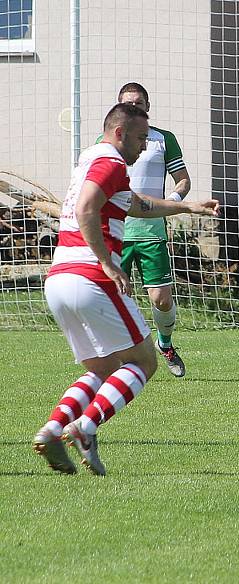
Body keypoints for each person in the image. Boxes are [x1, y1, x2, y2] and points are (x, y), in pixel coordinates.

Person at [33, 103, 219, 475]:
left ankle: (54, 428)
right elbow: (87, 209)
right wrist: (106, 261)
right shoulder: (111, 162)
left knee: (103, 368)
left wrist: (187, 208)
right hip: (91, 277)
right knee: (144, 361)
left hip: (59, 279)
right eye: (138, 139)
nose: (142, 147)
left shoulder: (89, 159)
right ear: (119, 133)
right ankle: (85, 428)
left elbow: (136, 204)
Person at [114, 82, 192, 377]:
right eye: (127, 103)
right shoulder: (107, 141)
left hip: (151, 231)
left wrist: (168, 204)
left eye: (139, 103)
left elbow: (183, 181)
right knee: (115, 297)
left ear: (147, 107)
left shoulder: (162, 140)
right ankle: (120, 354)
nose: (134, 107)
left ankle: (166, 343)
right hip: (117, 231)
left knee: (161, 299)